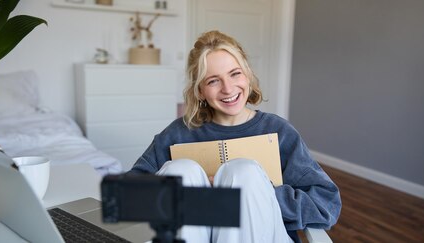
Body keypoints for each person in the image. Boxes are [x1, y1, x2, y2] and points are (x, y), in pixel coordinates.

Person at [129, 30, 341, 243]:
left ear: (247, 74)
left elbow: (326, 205)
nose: (228, 88)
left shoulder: (279, 132)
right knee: (180, 172)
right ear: (200, 90)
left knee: (245, 173)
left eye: (235, 73)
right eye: (213, 81)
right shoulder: (178, 133)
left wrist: (262, 194)